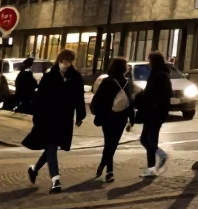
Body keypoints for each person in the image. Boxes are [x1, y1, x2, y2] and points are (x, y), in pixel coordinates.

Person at [22, 48, 85, 194]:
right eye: (64, 61)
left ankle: (34, 169)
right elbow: (39, 98)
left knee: (52, 147)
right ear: (59, 60)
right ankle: (55, 180)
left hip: (64, 118)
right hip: (48, 118)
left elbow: (78, 97)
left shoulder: (75, 77)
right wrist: (37, 116)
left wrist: (80, 115)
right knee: (51, 146)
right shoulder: (49, 76)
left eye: (69, 61)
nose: (66, 64)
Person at [90, 57, 134, 183]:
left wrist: (98, 113)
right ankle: (108, 170)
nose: (127, 68)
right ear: (123, 68)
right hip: (120, 117)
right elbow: (130, 102)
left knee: (110, 143)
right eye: (126, 65)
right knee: (112, 144)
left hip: (108, 117)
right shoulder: (126, 82)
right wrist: (131, 119)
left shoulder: (108, 81)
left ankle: (104, 167)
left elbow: (98, 99)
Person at [136, 51, 172, 176]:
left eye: (150, 60)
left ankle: (154, 164)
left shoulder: (158, 75)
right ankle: (154, 164)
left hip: (154, 113)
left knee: (147, 139)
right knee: (148, 139)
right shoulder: (161, 74)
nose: (148, 63)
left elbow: (153, 95)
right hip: (157, 112)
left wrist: (143, 96)